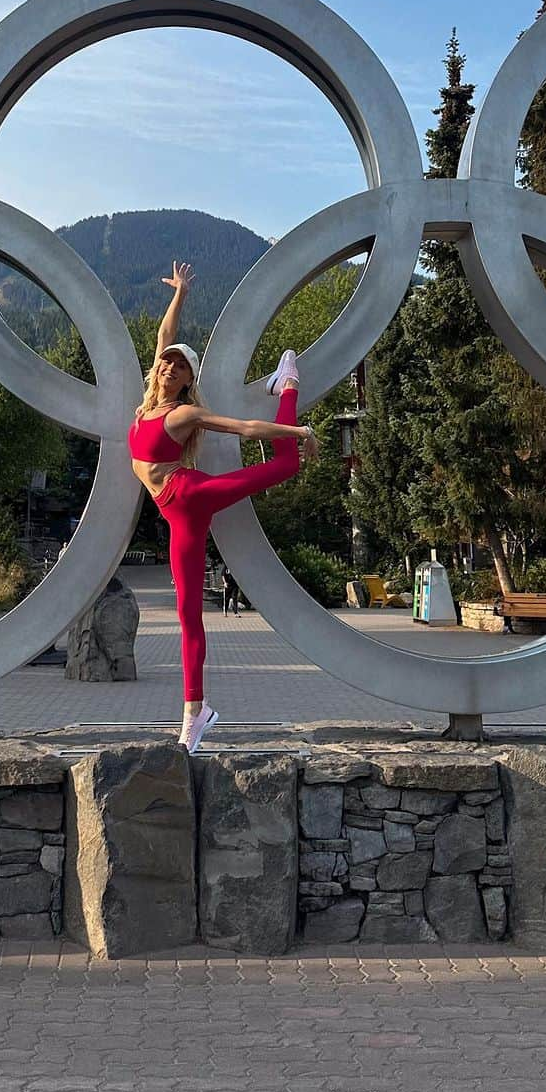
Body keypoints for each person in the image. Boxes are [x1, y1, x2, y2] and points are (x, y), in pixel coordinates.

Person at [127, 261, 318, 754]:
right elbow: (165, 335)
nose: (169, 366)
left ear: (188, 380)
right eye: (166, 362)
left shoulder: (182, 412)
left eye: (180, 366)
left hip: (189, 495)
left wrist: (294, 430)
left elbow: (244, 429)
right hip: (173, 515)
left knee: (285, 463)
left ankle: (288, 386)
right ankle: (197, 709)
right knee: (188, 612)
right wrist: (181, 294)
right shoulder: (145, 403)